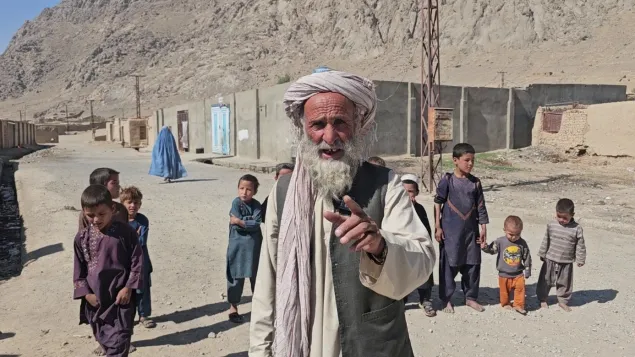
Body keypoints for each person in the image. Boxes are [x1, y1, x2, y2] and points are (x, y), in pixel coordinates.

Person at [249, 70, 435, 357]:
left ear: (358, 124)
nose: (330, 136)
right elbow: (268, 278)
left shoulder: (385, 184)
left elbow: (422, 260)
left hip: (371, 345)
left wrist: (380, 245)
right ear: (303, 128)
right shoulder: (284, 191)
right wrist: (260, 350)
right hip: (305, 344)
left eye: (340, 123)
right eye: (318, 124)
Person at [73, 185, 143, 357]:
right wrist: (86, 294)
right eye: (90, 215)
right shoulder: (81, 238)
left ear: (112, 208)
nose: (96, 219)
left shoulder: (126, 233)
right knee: (103, 338)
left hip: (120, 299)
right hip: (95, 300)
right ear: (83, 212)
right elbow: (79, 269)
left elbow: (137, 262)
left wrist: (128, 288)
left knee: (119, 344)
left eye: (101, 214)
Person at [434, 143, 489, 313]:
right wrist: (437, 226)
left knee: (473, 263)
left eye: (472, 160)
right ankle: (447, 299)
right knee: (449, 264)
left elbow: (481, 207)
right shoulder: (447, 180)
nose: (470, 164)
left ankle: (471, 297)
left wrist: (483, 228)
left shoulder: (475, 183)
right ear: (455, 160)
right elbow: (438, 203)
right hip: (450, 231)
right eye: (467, 160)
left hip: (471, 232)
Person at [536, 198, 586, 312]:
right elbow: (546, 240)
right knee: (545, 280)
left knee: (565, 283)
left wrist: (581, 258)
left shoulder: (576, 229)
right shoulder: (552, 225)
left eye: (565, 218)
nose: (562, 220)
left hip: (566, 261)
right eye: (559, 216)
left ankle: (563, 301)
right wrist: (542, 253)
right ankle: (542, 299)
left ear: (572, 215)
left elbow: (580, 245)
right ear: (556, 213)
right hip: (550, 259)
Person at [227, 174, 263, 323]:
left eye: (249, 189)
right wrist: (247, 222)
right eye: (241, 188)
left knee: (257, 277)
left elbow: (256, 223)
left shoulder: (257, 205)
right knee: (235, 276)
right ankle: (233, 307)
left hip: (254, 248)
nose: (244, 192)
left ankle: (259, 307)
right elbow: (236, 223)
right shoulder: (236, 203)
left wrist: (240, 221)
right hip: (237, 246)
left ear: (254, 191)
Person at [401, 174, 436, 317]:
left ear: (416, 193)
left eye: (411, 191)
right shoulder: (396, 209)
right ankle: (401, 300)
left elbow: (426, 231)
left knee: (424, 270)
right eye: (405, 191)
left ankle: (425, 299)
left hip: (418, 247)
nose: (408, 195)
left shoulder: (420, 209)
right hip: (402, 249)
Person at [481, 215, 531, 315]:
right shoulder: (500, 242)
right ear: (504, 230)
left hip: (518, 273)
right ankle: (505, 303)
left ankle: (518, 305)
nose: (514, 237)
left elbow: (527, 256)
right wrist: (485, 247)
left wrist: (527, 269)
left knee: (520, 289)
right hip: (503, 274)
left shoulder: (522, 243)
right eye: (511, 234)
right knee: (504, 291)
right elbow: (492, 250)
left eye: (518, 234)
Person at [120, 186, 155, 329]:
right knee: (126, 288)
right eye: (129, 202)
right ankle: (127, 317)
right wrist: (133, 236)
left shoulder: (142, 220)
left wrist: (129, 238)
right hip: (123, 262)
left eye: (136, 202)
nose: (132, 205)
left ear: (140, 204)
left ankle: (144, 315)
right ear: (122, 203)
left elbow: (141, 242)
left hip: (141, 261)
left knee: (143, 288)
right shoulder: (119, 220)